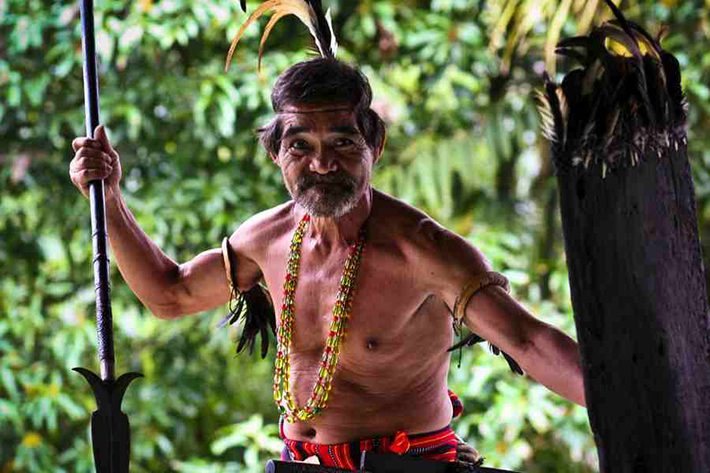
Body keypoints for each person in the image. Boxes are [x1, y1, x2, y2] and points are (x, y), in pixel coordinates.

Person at [69, 3, 585, 470]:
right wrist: (109, 199)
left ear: (374, 145)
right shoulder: (266, 239)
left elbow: (528, 339)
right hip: (297, 465)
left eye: (342, 141)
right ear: (276, 153)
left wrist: (636, 400)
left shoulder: (422, 250)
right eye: (300, 145)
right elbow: (170, 294)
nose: (321, 163)